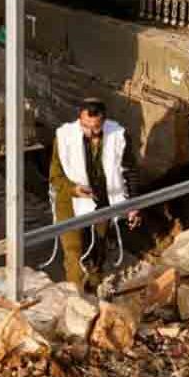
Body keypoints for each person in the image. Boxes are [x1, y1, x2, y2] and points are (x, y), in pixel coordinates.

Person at [49, 98, 139, 291]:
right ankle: (77, 297)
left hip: (102, 198)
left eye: (95, 127)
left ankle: (95, 288)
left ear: (104, 122)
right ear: (79, 120)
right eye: (85, 126)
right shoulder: (64, 137)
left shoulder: (118, 137)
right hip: (70, 198)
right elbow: (55, 178)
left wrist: (133, 206)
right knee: (74, 252)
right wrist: (74, 189)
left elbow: (129, 172)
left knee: (98, 249)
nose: (89, 132)